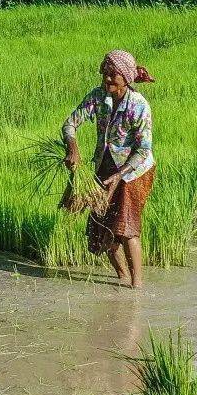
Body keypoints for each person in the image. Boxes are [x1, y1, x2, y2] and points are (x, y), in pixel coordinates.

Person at [62, 50, 156, 289]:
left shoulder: (138, 106)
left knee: (126, 227)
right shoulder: (98, 97)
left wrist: (119, 175)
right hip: (104, 166)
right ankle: (122, 278)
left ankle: (137, 287)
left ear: (126, 77)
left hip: (133, 172)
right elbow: (70, 124)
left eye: (113, 75)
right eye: (105, 73)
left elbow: (143, 150)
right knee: (104, 226)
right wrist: (73, 149)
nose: (107, 79)